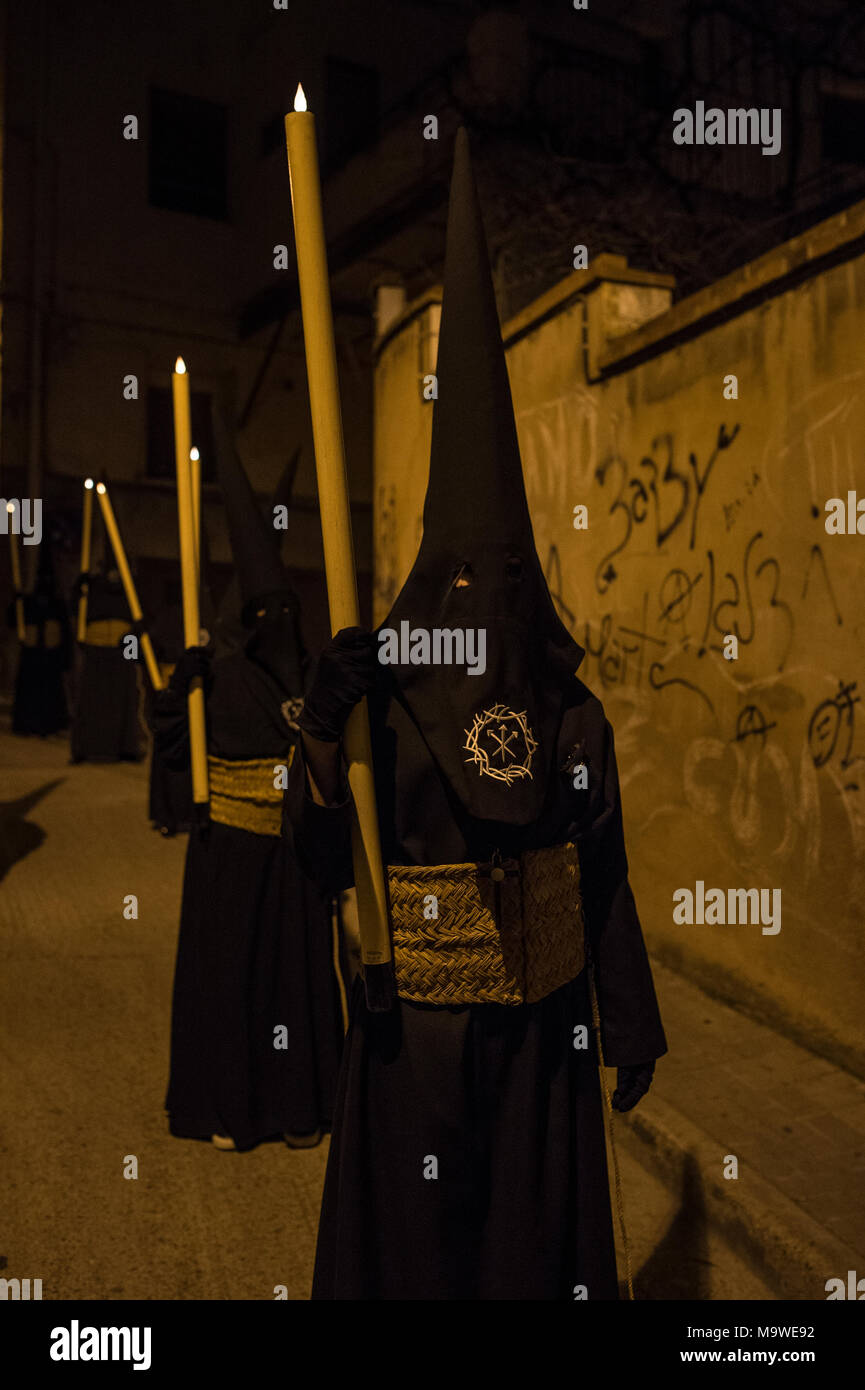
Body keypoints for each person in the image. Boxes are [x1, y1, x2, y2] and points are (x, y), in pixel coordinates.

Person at [285, 129, 667, 1299]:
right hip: (415, 1040)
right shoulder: (384, 709)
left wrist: (627, 1020)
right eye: (462, 581)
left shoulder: (571, 718)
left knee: (522, 1254)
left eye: (505, 580)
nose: (483, 609)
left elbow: (601, 874)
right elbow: (320, 861)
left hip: (542, 1041)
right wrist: (321, 736)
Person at [152, 422, 344, 1152]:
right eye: (266, 616)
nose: (280, 625)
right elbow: (174, 744)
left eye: (287, 613)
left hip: (294, 854)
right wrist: (180, 690)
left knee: (295, 983)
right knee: (232, 979)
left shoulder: (311, 672)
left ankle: (299, 1105)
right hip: (231, 852)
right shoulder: (222, 679)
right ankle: (230, 1106)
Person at [70, 563, 143, 762]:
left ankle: (127, 748)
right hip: (96, 648)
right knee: (90, 698)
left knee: (127, 695)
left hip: (124, 647)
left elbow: (140, 620)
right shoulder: (93, 591)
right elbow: (75, 610)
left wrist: (133, 648)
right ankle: (84, 748)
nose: (114, 576)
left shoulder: (131, 592)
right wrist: (79, 587)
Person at [8, 531, 72, 737]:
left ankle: (47, 724)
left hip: (49, 659)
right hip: (33, 658)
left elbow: (65, 633)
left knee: (48, 691)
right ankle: (29, 723)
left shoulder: (56, 605)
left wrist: (64, 658)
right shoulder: (30, 603)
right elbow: (13, 621)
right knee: (32, 689)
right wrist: (18, 602)